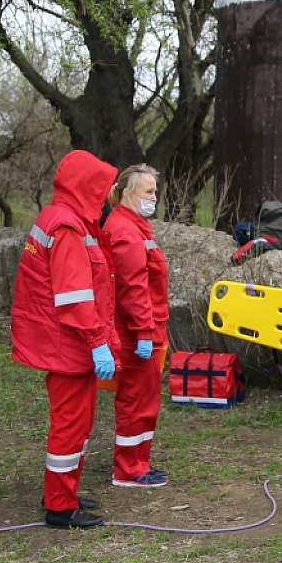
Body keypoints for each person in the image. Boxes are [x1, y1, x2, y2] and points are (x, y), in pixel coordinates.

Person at [11, 149, 119, 529]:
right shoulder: (69, 228)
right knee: (71, 423)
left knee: (78, 421)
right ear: (88, 187)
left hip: (68, 343)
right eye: (105, 188)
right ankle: (59, 505)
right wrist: (97, 341)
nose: (109, 195)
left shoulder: (66, 219)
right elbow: (74, 298)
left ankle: (64, 491)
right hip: (69, 344)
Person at [102, 164, 170, 488]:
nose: (154, 197)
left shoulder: (135, 227)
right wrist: (144, 332)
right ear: (128, 193)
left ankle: (138, 462)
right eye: (148, 191)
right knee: (136, 399)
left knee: (144, 399)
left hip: (146, 327)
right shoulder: (126, 232)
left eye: (155, 191)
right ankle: (129, 469)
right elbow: (133, 287)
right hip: (137, 332)